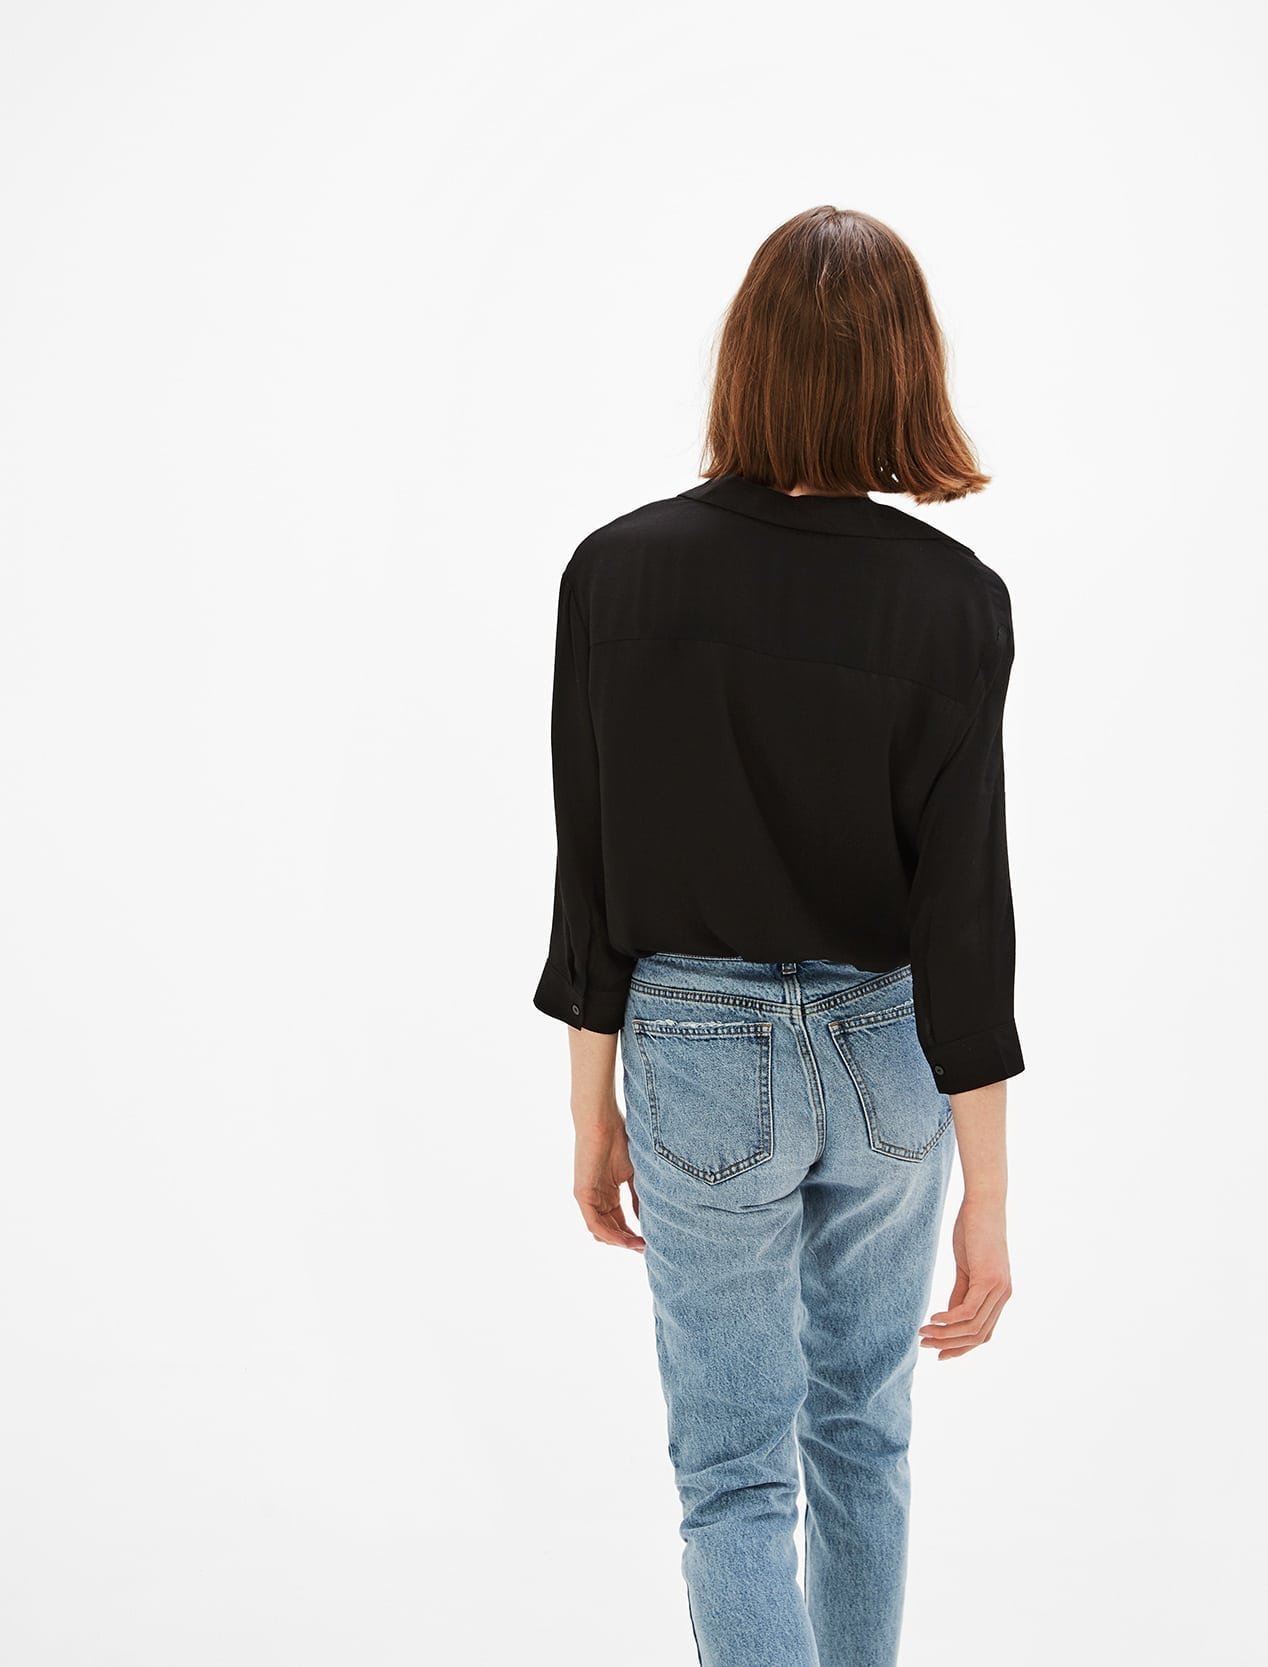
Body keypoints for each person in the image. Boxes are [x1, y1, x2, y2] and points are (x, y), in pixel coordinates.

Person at [531, 204, 1024, 1667]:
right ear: (906, 368)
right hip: (887, 1059)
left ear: (745, 356)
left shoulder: (616, 573)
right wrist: (989, 1199)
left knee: (735, 1477)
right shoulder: (956, 602)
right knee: (864, 1438)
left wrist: (591, 1110)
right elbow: (967, 917)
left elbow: (589, 875)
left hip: (695, 1051)